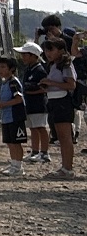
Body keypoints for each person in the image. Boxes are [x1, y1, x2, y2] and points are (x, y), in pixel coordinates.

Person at [40, 38, 78, 178]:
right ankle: (65, 167)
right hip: (54, 101)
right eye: (46, 50)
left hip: (62, 101)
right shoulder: (54, 65)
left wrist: (50, 82)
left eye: (51, 50)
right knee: (60, 137)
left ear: (61, 50)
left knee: (65, 137)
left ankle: (67, 168)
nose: (48, 53)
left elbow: (71, 85)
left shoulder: (65, 65)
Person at [0, 54, 28, 174]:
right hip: (6, 117)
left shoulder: (13, 83)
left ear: (11, 68)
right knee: (9, 142)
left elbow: (19, 99)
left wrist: (3, 105)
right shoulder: (4, 83)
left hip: (15, 116)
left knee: (15, 142)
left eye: (3, 67)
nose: (0, 70)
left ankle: (18, 166)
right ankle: (13, 163)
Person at [21, 42, 52, 163]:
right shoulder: (28, 70)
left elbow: (45, 88)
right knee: (33, 128)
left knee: (40, 127)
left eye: (25, 55)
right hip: (29, 104)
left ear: (34, 56)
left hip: (39, 104)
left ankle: (44, 153)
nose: (23, 57)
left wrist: (32, 92)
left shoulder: (40, 70)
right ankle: (35, 151)